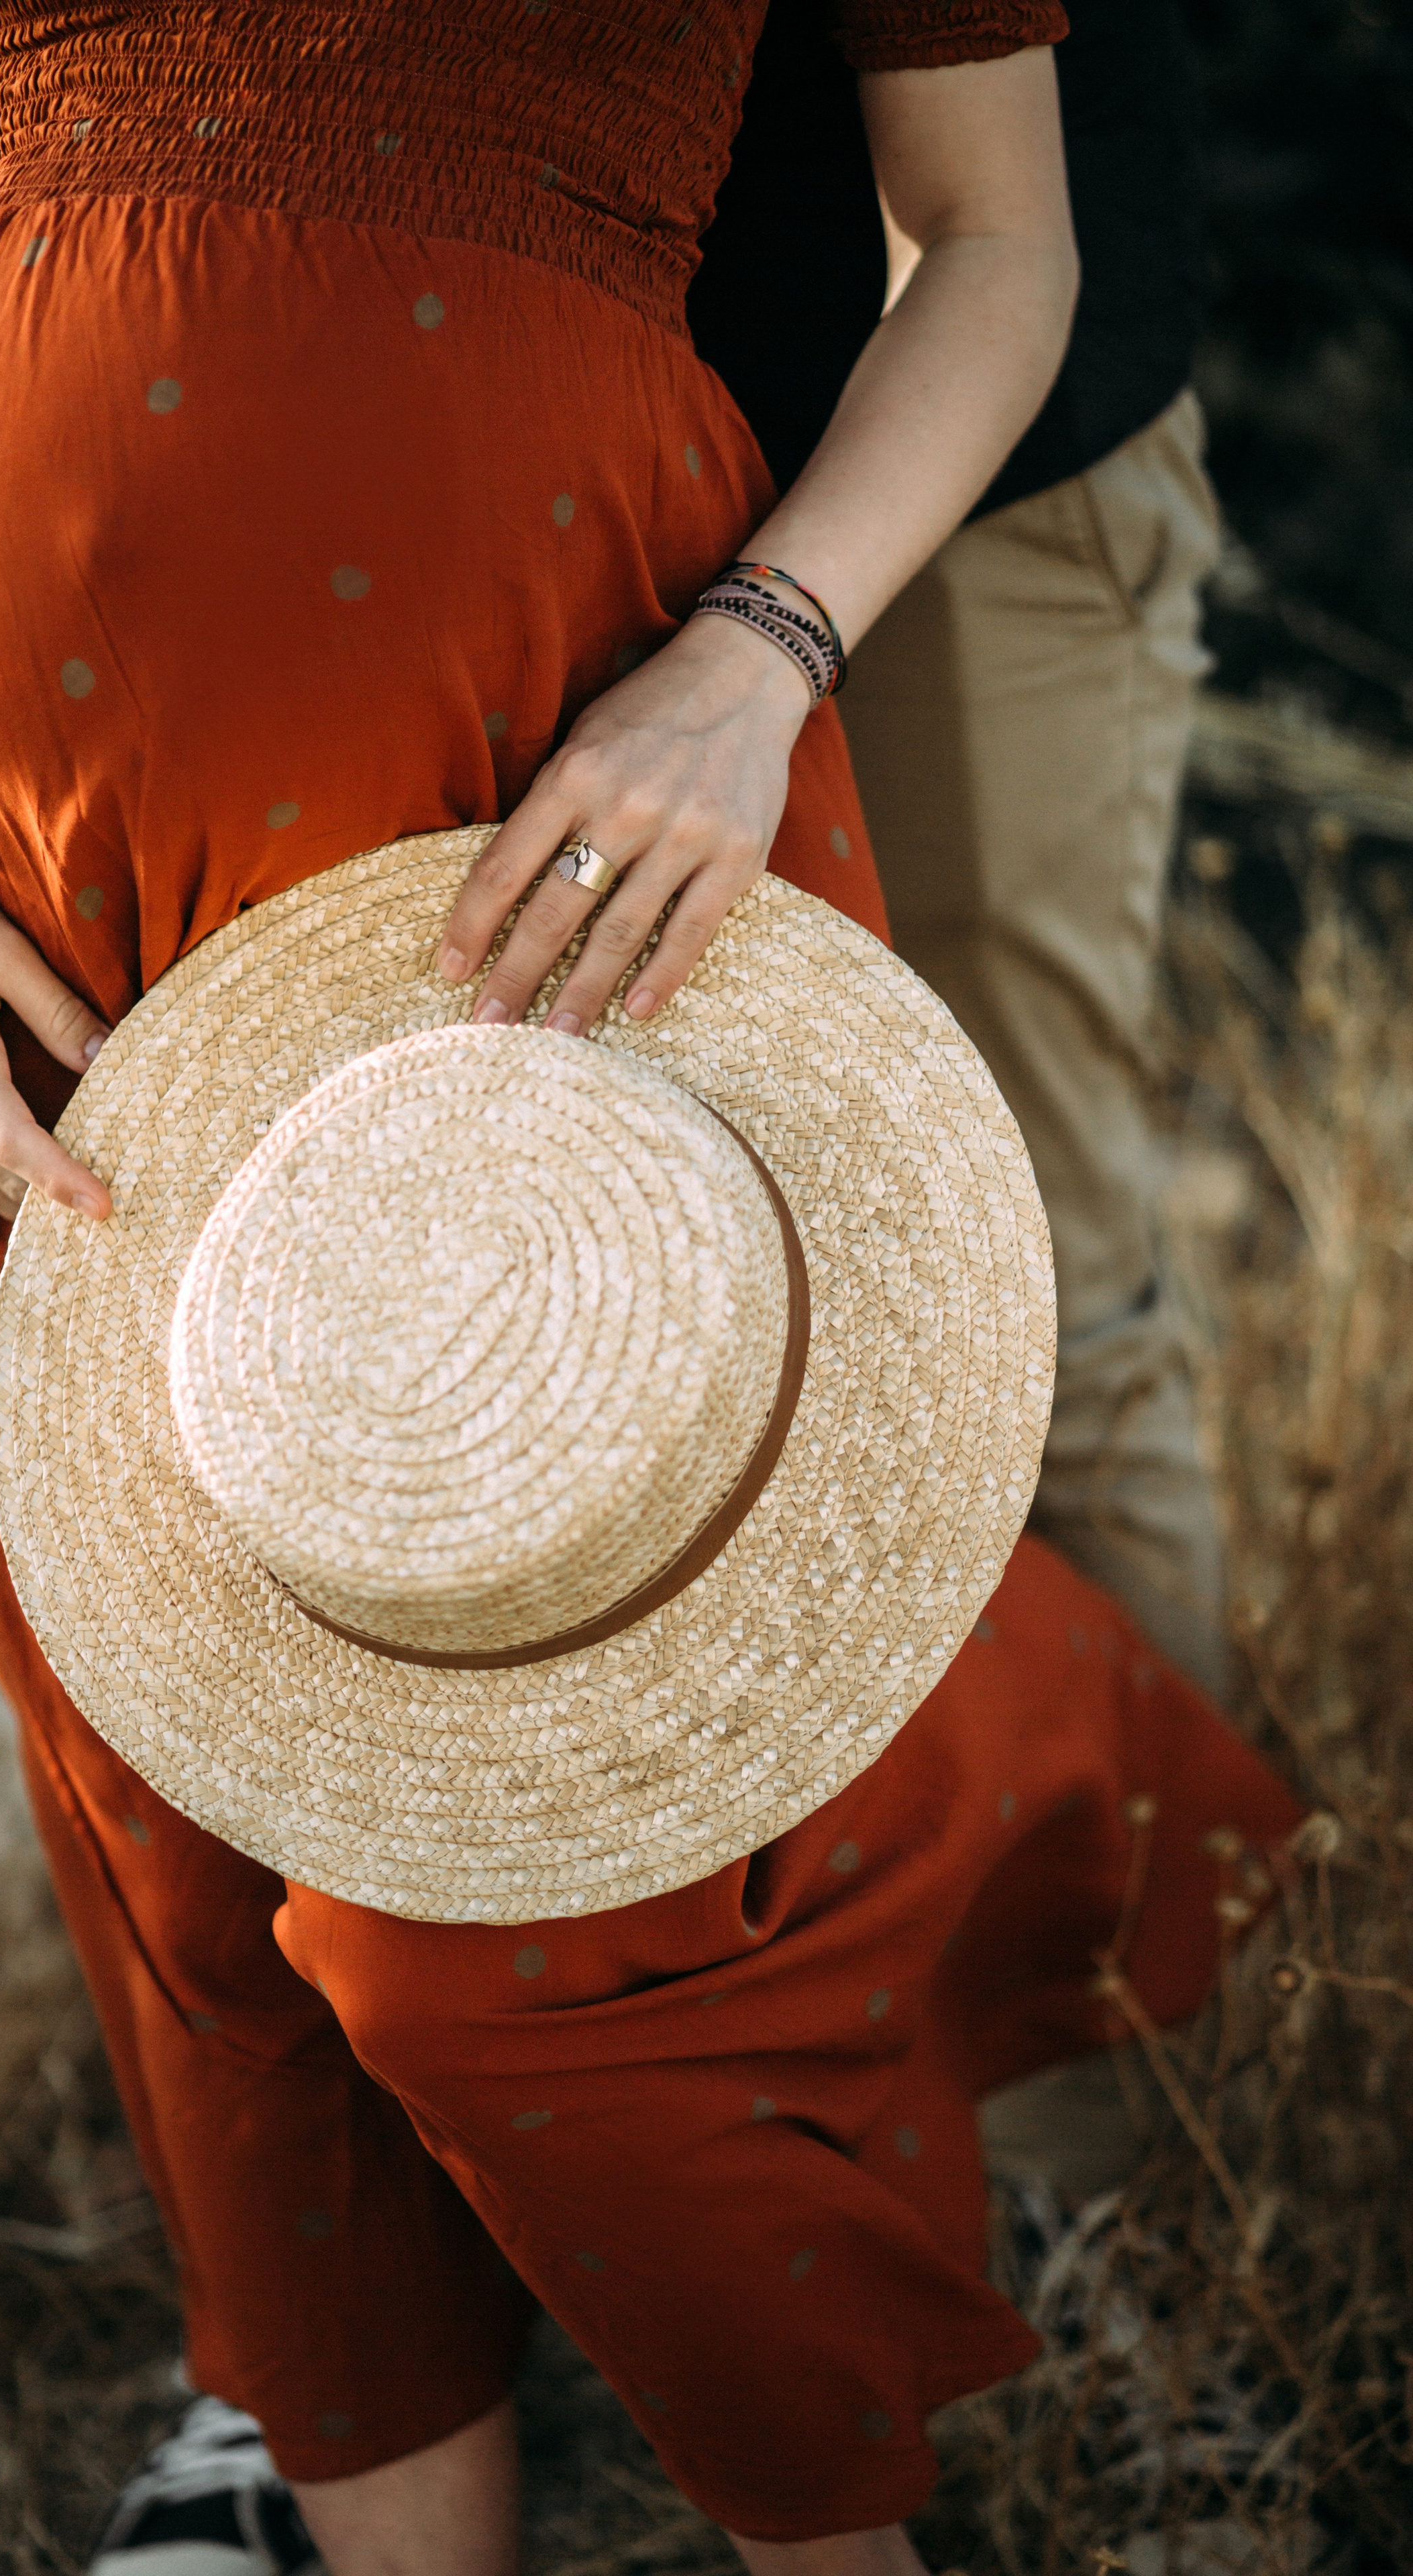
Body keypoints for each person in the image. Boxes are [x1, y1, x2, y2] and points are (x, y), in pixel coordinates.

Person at [0, 5, 1297, 2571]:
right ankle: (362, 2466)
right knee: (149, 1698)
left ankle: (930, 2396)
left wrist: (763, 644)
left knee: (569, 1717)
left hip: (514, 720)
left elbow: (1000, 238)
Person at [693, 0, 1226, 1694]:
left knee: (1028, 1291)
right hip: (596, 477)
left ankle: (1188, 1935)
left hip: (979, 486)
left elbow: (995, 226)